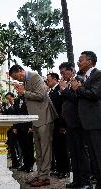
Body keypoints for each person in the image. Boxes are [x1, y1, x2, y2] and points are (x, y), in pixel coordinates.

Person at [9, 64, 58, 187]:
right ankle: (40, 174)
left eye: (17, 77)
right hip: (35, 119)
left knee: (45, 149)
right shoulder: (25, 81)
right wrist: (22, 92)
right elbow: (29, 98)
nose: (18, 80)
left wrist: (24, 92)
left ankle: (45, 177)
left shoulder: (35, 77)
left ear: (21, 71)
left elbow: (41, 96)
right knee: (39, 149)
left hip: (44, 116)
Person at [58, 62, 92, 188]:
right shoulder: (66, 84)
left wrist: (64, 91)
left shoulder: (79, 80)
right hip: (69, 124)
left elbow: (79, 100)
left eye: (63, 72)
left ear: (71, 70)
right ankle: (77, 180)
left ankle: (86, 182)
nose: (62, 75)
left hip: (78, 123)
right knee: (73, 153)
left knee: (81, 153)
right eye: (60, 73)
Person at [71, 51, 101, 189]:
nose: (78, 62)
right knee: (93, 157)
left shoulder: (97, 75)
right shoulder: (84, 77)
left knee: (98, 155)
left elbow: (94, 94)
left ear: (89, 61)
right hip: (86, 123)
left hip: (95, 122)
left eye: (81, 60)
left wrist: (79, 88)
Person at [46, 73, 70, 179]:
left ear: (55, 79)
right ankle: (59, 169)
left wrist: (62, 125)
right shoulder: (51, 92)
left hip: (60, 124)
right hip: (53, 124)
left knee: (62, 149)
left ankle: (65, 170)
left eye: (49, 80)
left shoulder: (59, 90)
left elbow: (61, 109)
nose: (47, 82)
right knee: (56, 148)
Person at [13, 95, 35, 173]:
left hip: (27, 127)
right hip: (19, 127)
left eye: (20, 87)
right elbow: (15, 113)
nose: (18, 89)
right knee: (22, 146)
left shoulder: (29, 98)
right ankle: (25, 164)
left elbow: (32, 112)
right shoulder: (16, 100)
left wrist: (31, 126)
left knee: (29, 146)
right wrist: (15, 126)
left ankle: (30, 165)